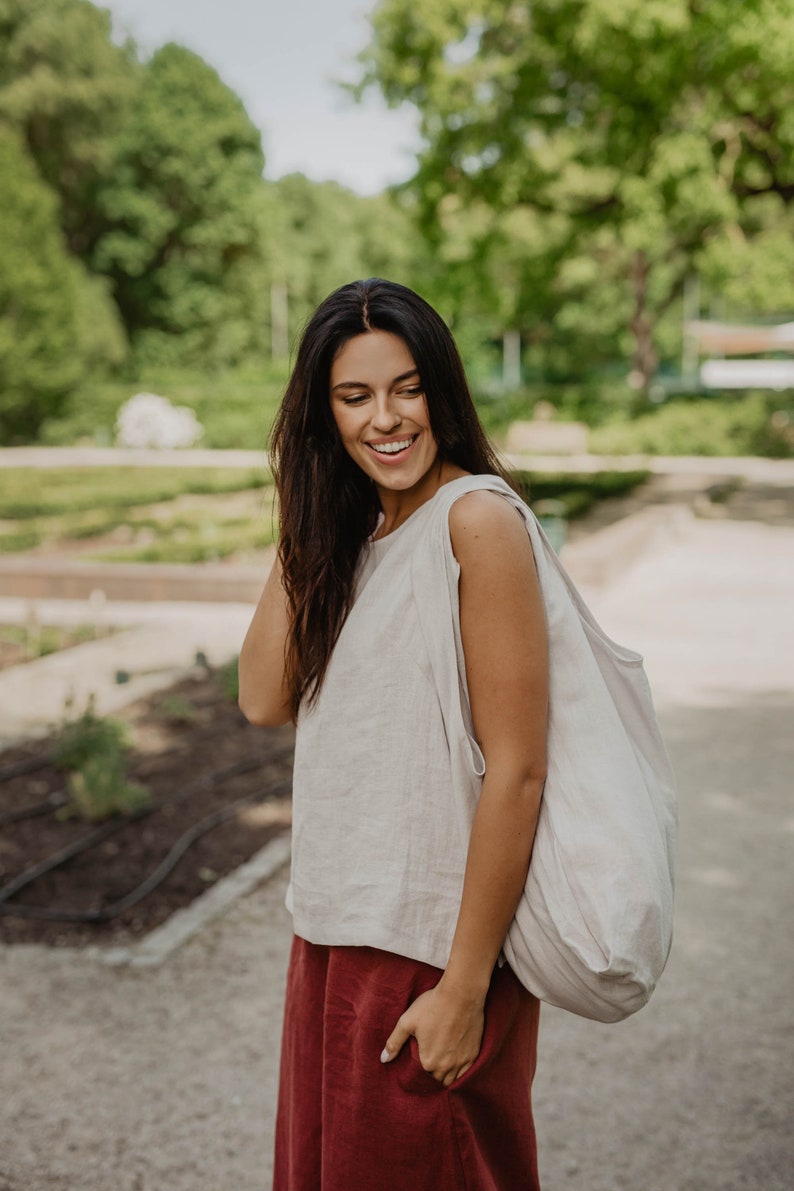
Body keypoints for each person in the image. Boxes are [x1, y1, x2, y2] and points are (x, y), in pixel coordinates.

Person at [239, 278, 549, 1190]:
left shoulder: (475, 521)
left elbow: (520, 769)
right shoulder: (364, 533)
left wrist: (464, 985)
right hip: (335, 932)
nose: (386, 418)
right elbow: (261, 695)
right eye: (353, 396)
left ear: (441, 391)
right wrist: (308, 507)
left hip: (431, 947)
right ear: (320, 412)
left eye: (406, 387)